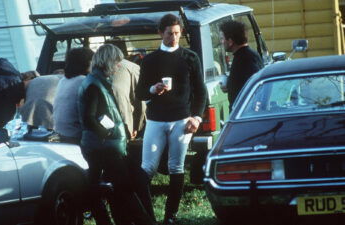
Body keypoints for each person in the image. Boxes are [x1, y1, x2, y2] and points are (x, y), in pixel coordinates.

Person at [135, 14, 207, 225]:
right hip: (156, 120)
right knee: (147, 168)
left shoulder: (191, 57)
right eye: (169, 33)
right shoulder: (150, 60)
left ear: (181, 33)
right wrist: (152, 88)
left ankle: (170, 216)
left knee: (176, 168)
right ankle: (143, 215)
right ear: (160, 33)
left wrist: (196, 117)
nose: (174, 37)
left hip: (181, 120)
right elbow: (140, 93)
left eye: (177, 33)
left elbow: (201, 92)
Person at [78, 44, 154, 225]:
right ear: (109, 62)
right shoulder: (95, 85)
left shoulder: (94, 81)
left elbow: (98, 115)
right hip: (104, 147)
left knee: (102, 188)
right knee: (125, 187)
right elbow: (89, 118)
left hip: (98, 145)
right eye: (118, 62)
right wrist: (108, 133)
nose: (119, 66)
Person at [219, 20, 264, 110]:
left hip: (247, 114)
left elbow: (256, 87)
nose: (221, 42)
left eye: (222, 38)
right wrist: (230, 85)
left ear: (230, 41)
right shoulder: (243, 56)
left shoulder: (247, 58)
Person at [53, 47, 94, 144]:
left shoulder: (63, 80)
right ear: (87, 63)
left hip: (62, 132)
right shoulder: (84, 81)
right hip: (77, 135)